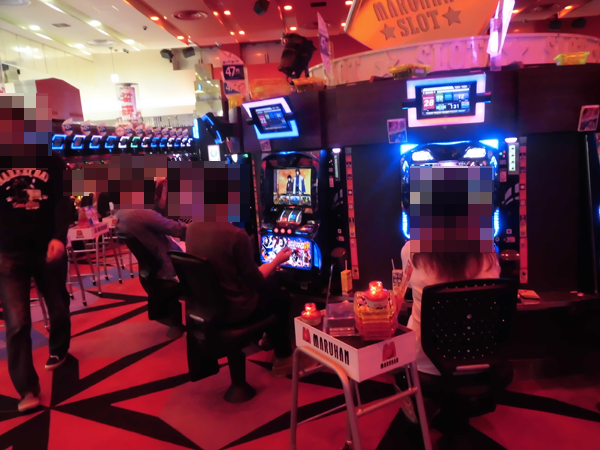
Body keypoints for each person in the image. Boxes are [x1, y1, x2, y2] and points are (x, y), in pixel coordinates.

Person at [0, 149, 72, 413]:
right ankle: (27, 388)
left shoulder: (50, 159)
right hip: (8, 252)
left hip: (47, 245)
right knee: (16, 322)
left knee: (58, 305)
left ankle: (59, 348)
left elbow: (65, 200)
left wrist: (59, 236)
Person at [186, 221, 297, 376]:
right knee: (280, 295)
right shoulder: (236, 235)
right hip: (234, 309)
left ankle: (269, 336)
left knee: (270, 285)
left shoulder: (192, 228)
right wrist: (276, 261)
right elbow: (256, 281)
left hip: (206, 308)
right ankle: (283, 358)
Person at [400, 241, 501, 376]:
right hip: (485, 359)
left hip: (425, 364)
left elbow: (409, 286)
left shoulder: (411, 249)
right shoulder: (489, 250)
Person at [115, 177, 187, 337]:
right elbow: (177, 230)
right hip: (168, 264)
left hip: (152, 267)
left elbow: (159, 215)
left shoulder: (121, 212)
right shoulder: (141, 213)